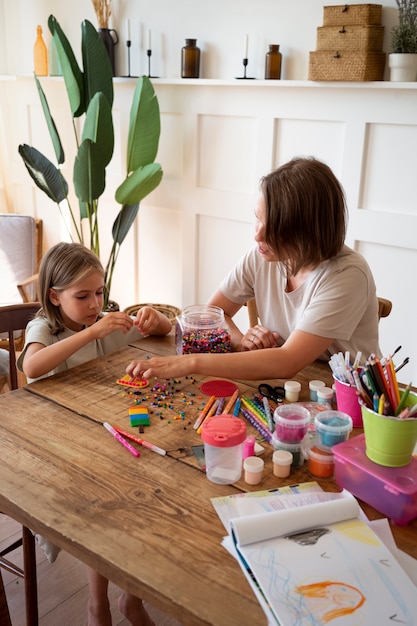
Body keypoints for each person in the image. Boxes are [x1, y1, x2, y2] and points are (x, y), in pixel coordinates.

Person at [18, 241, 171, 626]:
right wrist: (92, 332)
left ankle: (130, 597)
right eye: (82, 296)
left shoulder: (101, 321)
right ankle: (97, 604)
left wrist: (159, 322)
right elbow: (32, 367)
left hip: (103, 427)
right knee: (102, 508)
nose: (94, 303)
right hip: (57, 443)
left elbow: (161, 334)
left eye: (99, 292)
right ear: (54, 297)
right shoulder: (45, 327)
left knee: (144, 493)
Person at [126, 156, 380, 383]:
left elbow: (286, 362)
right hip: (288, 382)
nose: (257, 235)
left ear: (307, 231)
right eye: (258, 219)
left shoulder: (347, 276)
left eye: (274, 227)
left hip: (350, 394)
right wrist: (240, 341)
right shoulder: (264, 256)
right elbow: (215, 313)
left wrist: (190, 363)